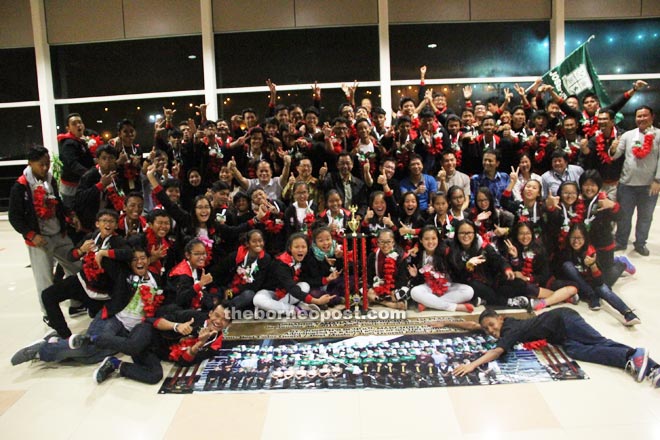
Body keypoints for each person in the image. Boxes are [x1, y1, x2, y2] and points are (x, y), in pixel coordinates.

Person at [431, 308, 660, 389]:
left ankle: (633, 355)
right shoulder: (501, 326)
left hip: (564, 319)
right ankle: (646, 365)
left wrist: (472, 364)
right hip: (560, 335)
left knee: (597, 342)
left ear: (500, 319)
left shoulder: (510, 330)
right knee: (579, 352)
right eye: (487, 329)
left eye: (491, 325)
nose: (490, 330)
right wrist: (447, 323)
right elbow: (473, 325)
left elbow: (497, 352)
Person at [9, 146, 81, 315]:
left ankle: (77, 303)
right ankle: (50, 315)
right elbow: (15, 217)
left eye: (47, 163)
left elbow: (59, 203)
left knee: (76, 266)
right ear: (30, 163)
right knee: (45, 281)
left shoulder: (50, 180)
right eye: (41, 164)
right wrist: (31, 235)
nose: (45, 168)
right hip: (40, 240)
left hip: (60, 235)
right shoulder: (20, 187)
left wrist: (70, 215)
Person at [611, 106, 660, 256]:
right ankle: (620, 241)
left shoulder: (658, 135)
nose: (642, 119)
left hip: (649, 185)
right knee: (624, 215)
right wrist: (612, 148)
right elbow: (615, 156)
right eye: (639, 116)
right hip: (627, 184)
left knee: (645, 217)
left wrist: (658, 180)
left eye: (645, 116)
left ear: (652, 117)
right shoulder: (628, 135)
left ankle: (640, 243)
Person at [407, 226, 474, 312]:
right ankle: (455, 307)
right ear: (421, 240)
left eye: (434, 238)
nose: (430, 242)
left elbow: (458, 271)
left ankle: (428, 304)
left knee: (469, 291)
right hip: (428, 288)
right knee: (414, 292)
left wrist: (468, 265)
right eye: (426, 239)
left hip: (447, 286)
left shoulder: (446, 252)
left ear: (438, 239)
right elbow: (418, 281)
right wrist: (415, 276)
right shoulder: (417, 255)